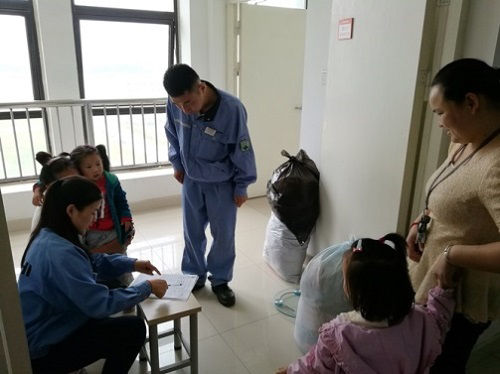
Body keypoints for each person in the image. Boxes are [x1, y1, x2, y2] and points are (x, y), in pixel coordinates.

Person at [18, 176, 168, 374]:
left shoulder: (51, 233)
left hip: (46, 322)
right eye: (92, 213)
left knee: (113, 284)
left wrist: (132, 264)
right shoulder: (59, 253)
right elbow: (100, 304)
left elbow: (93, 262)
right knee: (134, 329)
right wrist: (146, 287)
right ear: (71, 211)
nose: (94, 220)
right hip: (43, 349)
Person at [407, 58, 500, 373]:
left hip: (460, 298)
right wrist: (423, 220)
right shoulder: (464, 142)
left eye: (440, 112)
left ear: (471, 103)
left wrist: (453, 254)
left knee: (441, 365)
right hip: (433, 277)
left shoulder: (496, 165)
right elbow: (454, 194)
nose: (439, 123)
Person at [277, 234, 455, 374]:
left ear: (355, 291)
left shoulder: (339, 335)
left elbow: (315, 367)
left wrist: (291, 371)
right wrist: (443, 289)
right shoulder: (421, 320)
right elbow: (440, 319)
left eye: (345, 279)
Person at [163, 64, 257, 307]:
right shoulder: (175, 104)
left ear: (201, 88)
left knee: (223, 234)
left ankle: (221, 280)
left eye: (188, 103)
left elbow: (242, 148)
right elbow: (171, 133)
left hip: (221, 184)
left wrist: (241, 186)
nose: (185, 110)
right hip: (191, 180)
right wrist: (177, 163)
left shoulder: (231, 109)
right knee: (192, 231)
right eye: (178, 105)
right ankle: (194, 274)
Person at [70, 145, 133, 255]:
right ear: (79, 170)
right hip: (90, 233)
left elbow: (121, 201)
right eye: (88, 167)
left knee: (120, 258)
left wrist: (126, 217)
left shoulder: (111, 181)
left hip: (112, 229)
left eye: (98, 164)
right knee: (97, 261)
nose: (95, 169)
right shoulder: (78, 185)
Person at [31, 151, 78, 230]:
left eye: (77, 180)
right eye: (67, 182)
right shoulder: (48, 214)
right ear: (49, 187)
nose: (76, 186)